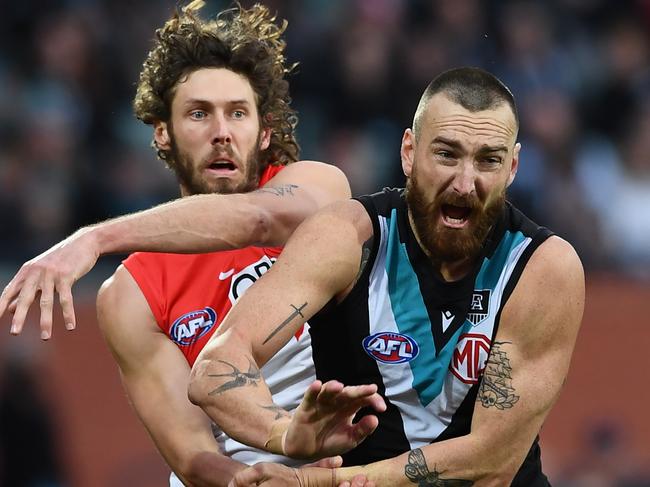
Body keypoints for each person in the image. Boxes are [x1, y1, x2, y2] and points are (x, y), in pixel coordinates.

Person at [0, 2, 378, 486]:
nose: (221, 133)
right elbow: (190, 450)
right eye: (199, 114)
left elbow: (258, 218)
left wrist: (94, 236)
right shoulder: (130, 293)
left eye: (237, 113)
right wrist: (254, 480)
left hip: (354, 463)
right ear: (163, 133)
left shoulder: (318, 189)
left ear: (264, 134)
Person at [185, 67, 585, 486]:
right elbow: (217, 365)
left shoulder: (542, 266)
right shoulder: (348, 237)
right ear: (408, 152)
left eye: (488, 160)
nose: (465, 184)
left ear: (514, 166)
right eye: (447, 154)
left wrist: (321, 483)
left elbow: (493, 461)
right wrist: (283, 433)